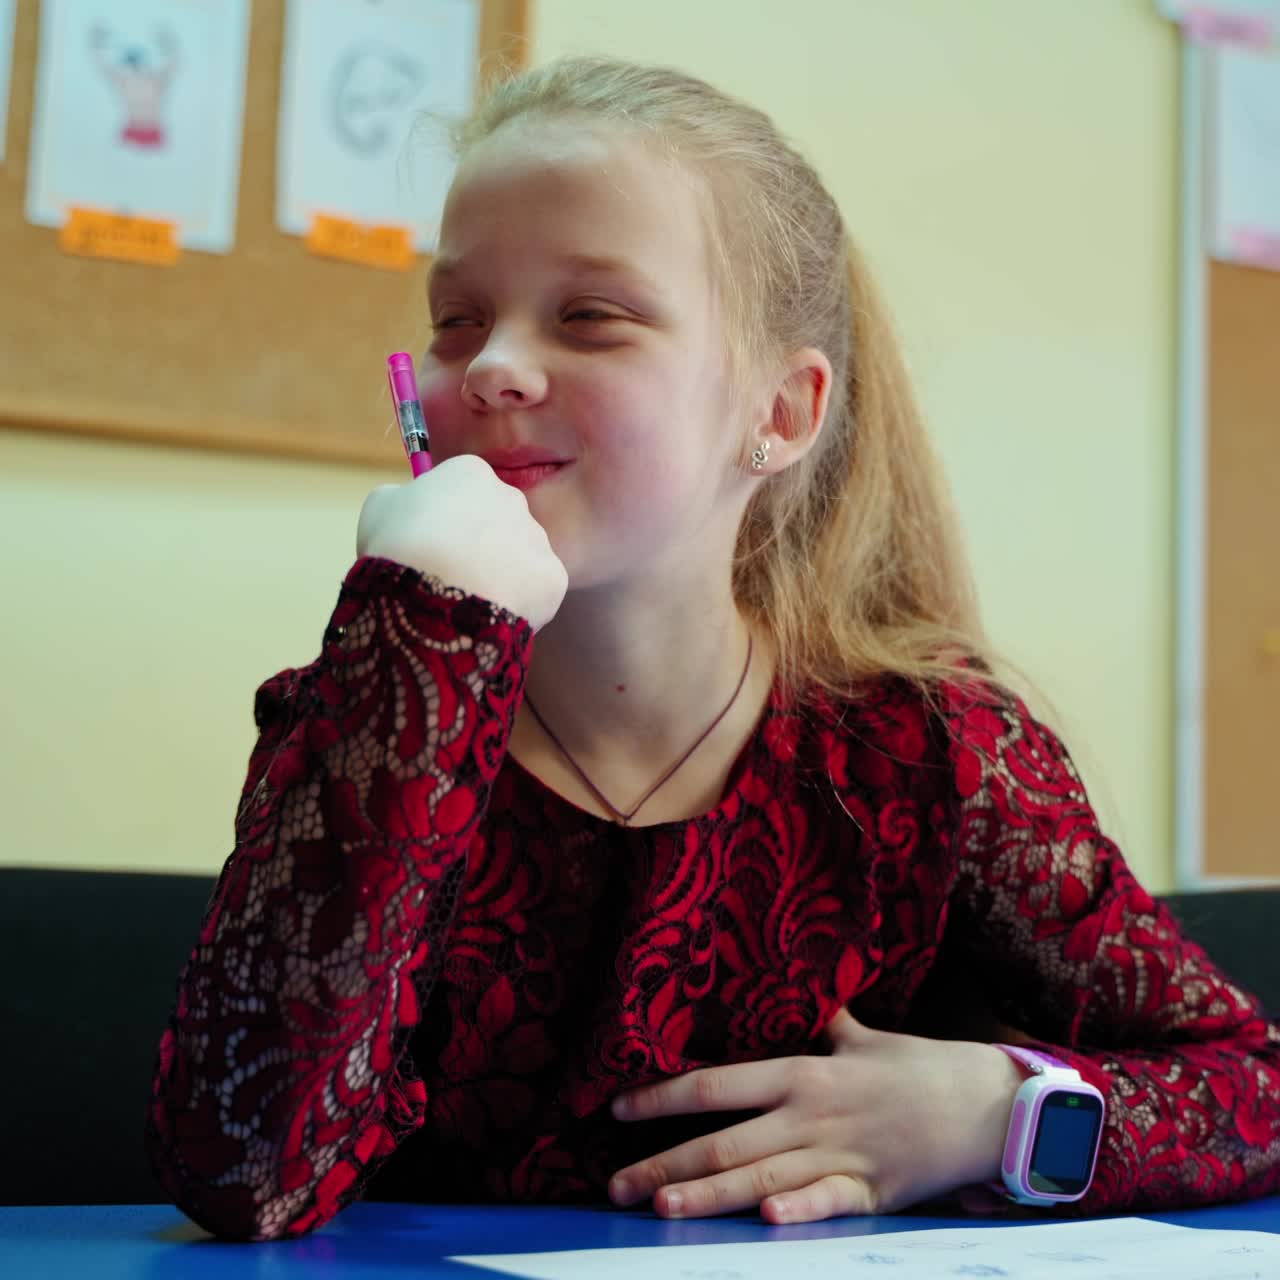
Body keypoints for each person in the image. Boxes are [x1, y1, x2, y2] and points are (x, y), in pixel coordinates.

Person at [144, 56, 1280, 1243]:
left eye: (589, 316)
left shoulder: (928, 750)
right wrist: (420, 634)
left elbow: (1248, 1083)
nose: (487, 367)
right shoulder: (376, 714)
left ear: (778, 413)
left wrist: (994, 1112)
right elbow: (243, 1173)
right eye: (455, 319)